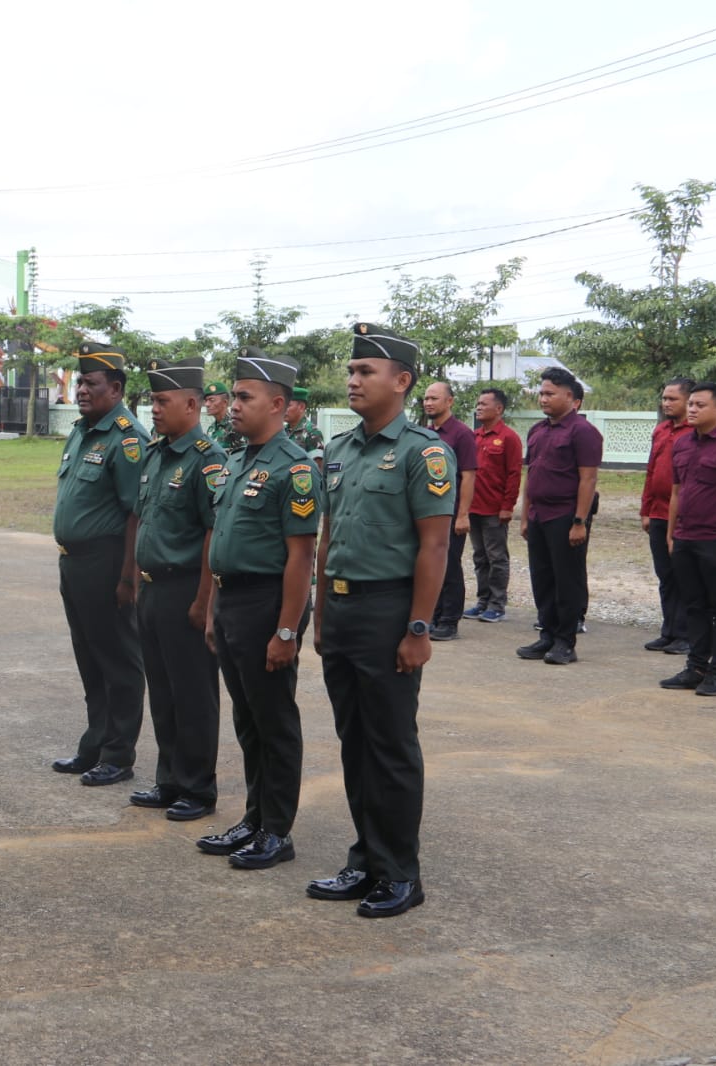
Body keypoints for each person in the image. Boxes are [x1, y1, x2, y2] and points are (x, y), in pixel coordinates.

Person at [308, 323, 452, 919]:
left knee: (390, 745)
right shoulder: (338, 450)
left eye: (366, 371)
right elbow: (326, 535)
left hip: (389, 610)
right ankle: (364, 857)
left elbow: (436, 546)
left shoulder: (424, 451)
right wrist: (317, 612)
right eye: (352, 370)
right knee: (354, 742)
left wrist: (419, 629)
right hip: (341, 610)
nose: (353, 380)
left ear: (402, 380)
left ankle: (399, 872)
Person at [197, 348, 322, 869]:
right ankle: (253, 817)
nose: (232, 406)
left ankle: (277, 830)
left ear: (278, 404)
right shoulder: (236, 461)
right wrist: (210, 612)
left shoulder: (293, 469)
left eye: (244, 398)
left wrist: (287, 632)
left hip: (267, 604)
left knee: (274, 720)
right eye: (233, 397)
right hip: (230, 603)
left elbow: (301, 558)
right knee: (247, 719)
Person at [122, 359, 226, 822]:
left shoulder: (209, 459)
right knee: (162, 691)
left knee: (192, 693)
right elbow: (144, 518)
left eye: (162, 401)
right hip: (153, 588)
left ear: (191, 403)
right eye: (152, 401)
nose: (154, 409)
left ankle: (197, 787)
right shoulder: (155, 453)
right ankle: (169, 778)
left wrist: (204, 601)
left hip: (187, 588)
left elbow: (212, 534)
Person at [50, 343, 146, 787]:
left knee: (118, 659)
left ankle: (118, 754)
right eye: (79, 382)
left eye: (91, 383)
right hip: (75, 564)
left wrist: (128, 576)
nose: (81, 390)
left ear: (116, 388)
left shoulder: (127, 439)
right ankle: (95, 744)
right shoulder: (82, 431)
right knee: (89, 658)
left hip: (108, 563)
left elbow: (135, 513)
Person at [660, 382, 716, 697]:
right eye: (691, 404)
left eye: (699, 405)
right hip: (685, 538)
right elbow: (677, 493)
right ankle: (695, 667)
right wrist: (671, 534)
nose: (692, 409)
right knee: (693, 604)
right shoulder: (682, 445)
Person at [517, 367, 602, 666]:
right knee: (542, 577)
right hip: (539, 513)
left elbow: (588, 480)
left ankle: (566, 641)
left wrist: (579, 521)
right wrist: (525, 516)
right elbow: (532, 475)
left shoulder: (584, 432)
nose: (543, 398)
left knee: (567, 579)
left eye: (550, 393)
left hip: (565, 515)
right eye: (541, 393)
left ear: (572, 398)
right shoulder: (538, 431)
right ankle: (547, 634)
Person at [641, 377, 696, 653]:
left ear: (689, 401)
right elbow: (651, 471)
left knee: (683, 573)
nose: (666, 403)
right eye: (664, 398)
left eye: (672, 399)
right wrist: (646, 510)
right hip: (659, 513)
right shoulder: (661, 430)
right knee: (665, 573)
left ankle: (686, 634)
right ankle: (669, 630)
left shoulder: (695, 433)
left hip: (685, 516)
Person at [421, 381, 477, 641]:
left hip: (451, 511)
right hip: (427, 512)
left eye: (434, 398)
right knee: (429, 563)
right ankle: (432, 614)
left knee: (450, 565)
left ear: (449, 401)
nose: (428, 403)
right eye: (425, 398)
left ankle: (449, 620)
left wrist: (463, 514)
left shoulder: (462, 434)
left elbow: (468, 476)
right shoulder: (425, 433)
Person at [463, 387, 522, 623]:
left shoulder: (509, 438)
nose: (478, 407)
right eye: (478, 403)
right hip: (473, 508)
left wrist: (507, 506)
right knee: (479, 557)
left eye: (484, 404)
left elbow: (514, 474)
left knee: (497, 557)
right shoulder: (474, 436)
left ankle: (497, 604)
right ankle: (482, 601)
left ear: (499, 409)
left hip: (495, 509)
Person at [203, 381, 245, 452]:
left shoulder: (235, 426)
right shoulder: (211, 428)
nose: (207, 404)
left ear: (224, 402)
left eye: (211, 400)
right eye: (206, 400)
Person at [283, 385, 325, 456]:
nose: (283, 409)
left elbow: (318, 465)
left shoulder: (312, 432)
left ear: (301, 407)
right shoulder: (283, 431)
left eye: (288, 405)